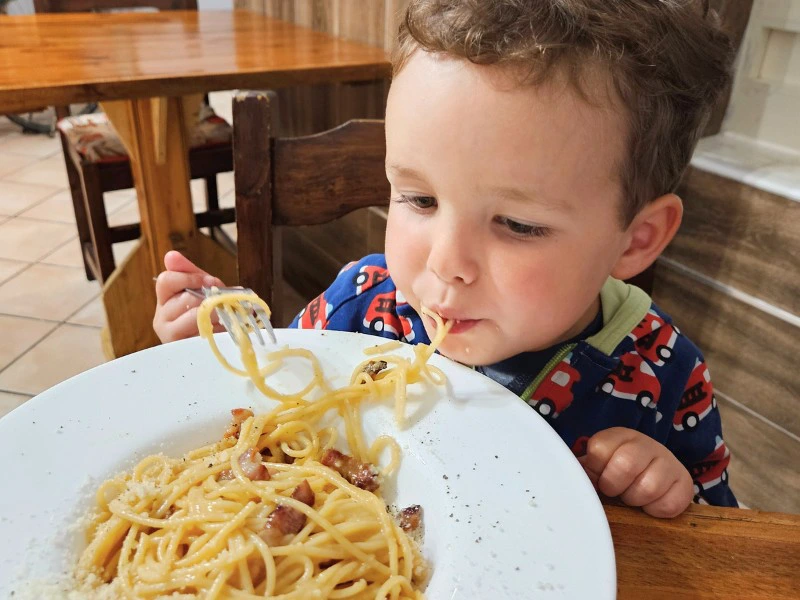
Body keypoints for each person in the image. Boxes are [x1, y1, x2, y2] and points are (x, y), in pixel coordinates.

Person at [153, 0, 738, 516]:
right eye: (419, 199)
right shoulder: (361, 305)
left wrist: (667, 489)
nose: (445, 263)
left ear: (635, 239)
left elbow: (723, 530)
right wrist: (213, 353)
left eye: (517, 224)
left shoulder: (663, 376)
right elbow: (272, 403)